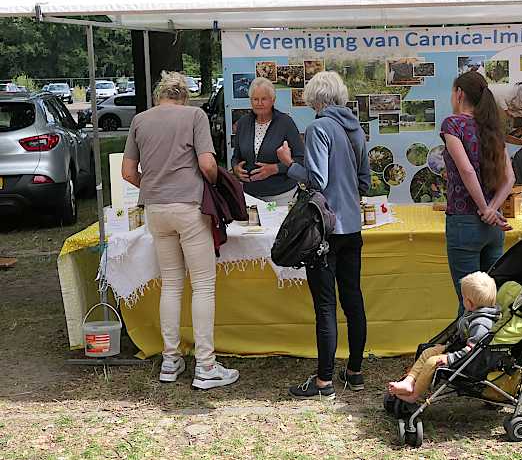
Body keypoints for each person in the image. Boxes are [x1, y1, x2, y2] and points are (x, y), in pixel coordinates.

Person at [121, 71, 239, 390]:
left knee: (171, 283)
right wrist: (215, 185)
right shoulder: (194, 115)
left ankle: (170, 360)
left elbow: (128, 172)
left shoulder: (140, 121)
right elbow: (207, 165)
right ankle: (206, 365)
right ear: (184, 95)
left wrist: (156, 186)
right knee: (202, 286)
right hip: (188, 206)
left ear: (160, 94)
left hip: (156, 210)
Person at [276, 71, 370, 400]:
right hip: (352, 227)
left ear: (315, 99)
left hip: (325, 230)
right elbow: (365, 183)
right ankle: (355, 373)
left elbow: (316, 179)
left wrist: (289, 164)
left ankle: (324, 382)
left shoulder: (318, 127)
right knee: (353, 299)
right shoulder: (355, 128)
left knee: (326, 306)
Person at [442, 71, 515, 317]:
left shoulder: (453, 124)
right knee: (489, 301)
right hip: (492, 228)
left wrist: (485, 208)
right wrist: (492, 209)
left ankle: (468, 353)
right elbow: (510, 178)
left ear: (459, 94)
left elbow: (466, 169)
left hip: (464, 222)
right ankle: (489, 353)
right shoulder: (492, 128)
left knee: (469, 303)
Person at [387, 271, 500, 403]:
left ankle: (414, 395)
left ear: (469, 302)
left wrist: (450, 358)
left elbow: (472, 352)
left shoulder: (481, 324)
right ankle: (409, 381)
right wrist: (447, 347)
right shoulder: (473, 313)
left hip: (468, 361)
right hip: (461, 351)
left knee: (431, 362)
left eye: (463, 297)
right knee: (428, 352)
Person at [231, 77, 304, 205]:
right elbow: (236, 156)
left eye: (263, 99)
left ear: (273, 100)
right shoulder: (243, 123)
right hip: (250, 196)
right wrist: (236, 168)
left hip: (280, 195)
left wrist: (275, 168)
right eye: (255, 99)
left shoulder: (286, 123)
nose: (259, 103)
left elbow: (300, 159)